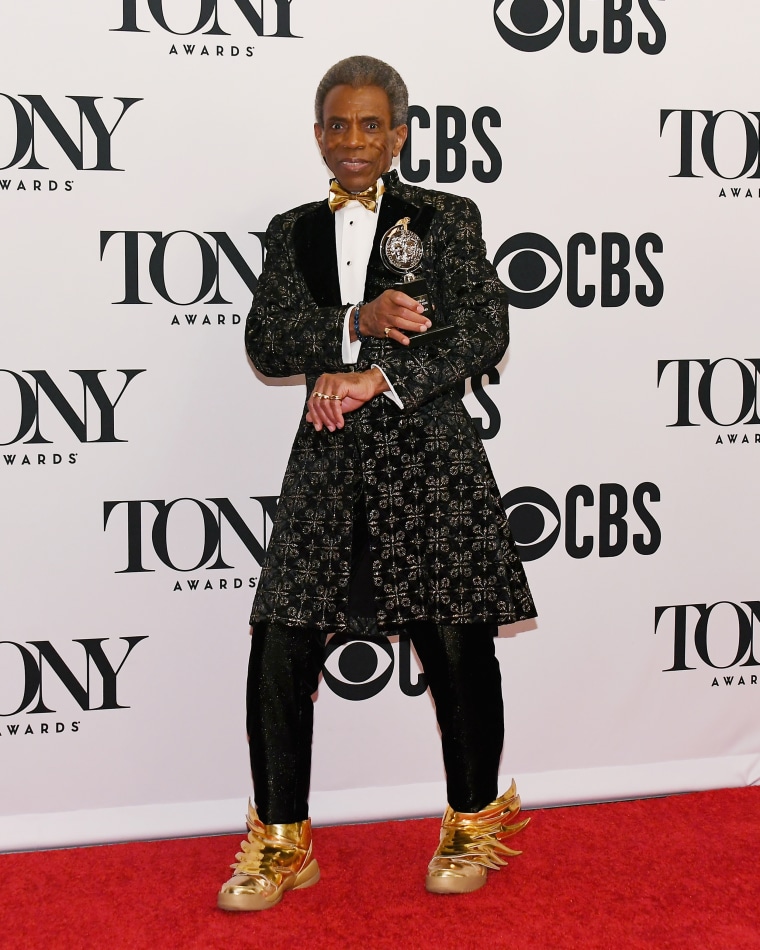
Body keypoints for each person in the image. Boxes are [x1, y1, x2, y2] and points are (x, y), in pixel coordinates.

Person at [217, 55, 536, 913]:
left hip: (429, 456)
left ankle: (473, 820)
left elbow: (480, 332)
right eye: (337, 124)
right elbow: (269, 343)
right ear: (317, 133)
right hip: (327, 458)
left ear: (399, 134)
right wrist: (354, 323)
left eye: (370, 125)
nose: (352, 141)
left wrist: (379, 377)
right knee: (281, 641)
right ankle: (281, 840)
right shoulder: (292, 231)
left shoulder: (447, 217)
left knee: (457, 644)